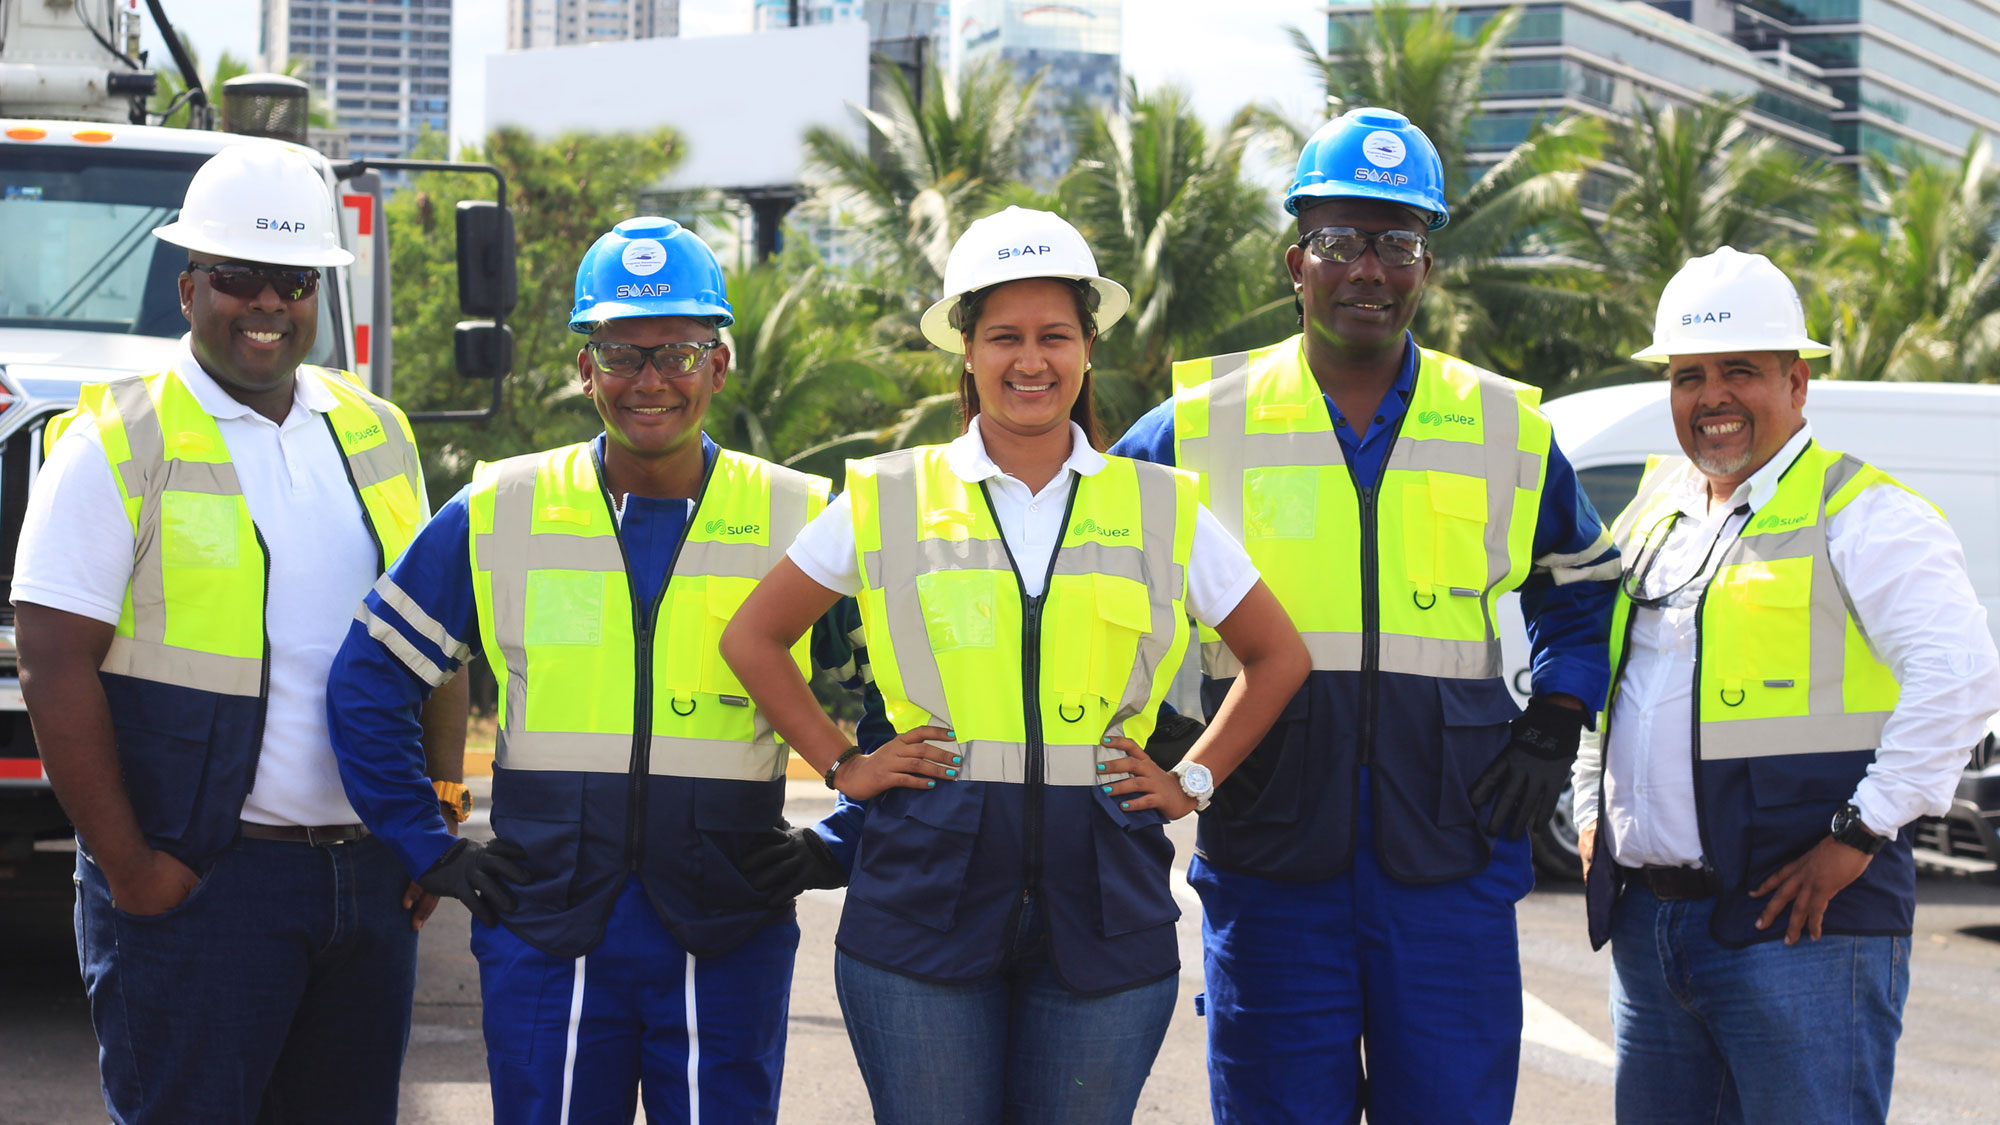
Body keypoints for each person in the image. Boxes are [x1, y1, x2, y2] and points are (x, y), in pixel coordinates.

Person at [720, 206, 1309, 1124]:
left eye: (1054, 336)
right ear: (966, 348)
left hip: (1106, 911)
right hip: (920, 905)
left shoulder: (1162, 506)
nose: (1030, 361)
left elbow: (1279, 654)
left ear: (1087, 350)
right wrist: (843, 765)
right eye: (1004, 336)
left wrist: (1192, 779)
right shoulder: (889, 495)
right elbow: (752, 637)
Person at [1108, 106, 1621, 1123]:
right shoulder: (1194, 425)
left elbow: (1581, 585)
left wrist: (1556, 718)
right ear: (1294, 261)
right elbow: (1097, 583)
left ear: (1428, 265)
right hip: (1269, 855)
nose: (1369, 271)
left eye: (1398, 243)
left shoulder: (1505, 427)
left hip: (1451, 852)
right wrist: (1158, 728)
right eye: (1340, 242)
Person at [325, 216, 851, 1125]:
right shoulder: (501, 507)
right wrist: (429, 847)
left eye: (678, 351)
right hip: (547, 929)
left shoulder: (801, 517)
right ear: (585, 368)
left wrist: (838, 840)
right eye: (620, 353)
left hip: (726, 926)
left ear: (719, 365)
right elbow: (367, 681)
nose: (650, 380)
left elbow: (918, 697)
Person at [12, 142, 455, 1125]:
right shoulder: (114, 438)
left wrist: (436, 819)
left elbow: (432, 638)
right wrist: (130, 868)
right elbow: (51, 663)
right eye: (238, 276)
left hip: (365, 881)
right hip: (207, 886)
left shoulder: (375, 429)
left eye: (293, 281)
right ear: (189, 288)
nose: (267, 304)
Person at [1571, 246, 2000, 1123]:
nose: (1713, 397)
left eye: (1740, 370)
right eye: (1689, 376)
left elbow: (1960, 678)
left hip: (1805, 931)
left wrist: (1861, 829)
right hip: (1653, 930)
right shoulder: (1654, 510)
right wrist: (1589, 810)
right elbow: (1614, 679)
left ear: (1796, 383)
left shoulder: (1863, 512)